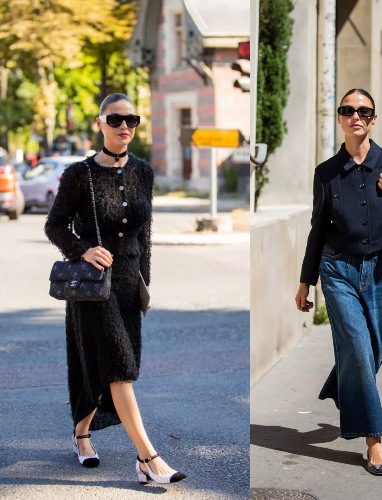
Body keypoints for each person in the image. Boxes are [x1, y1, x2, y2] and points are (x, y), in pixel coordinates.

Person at [45, 93, 186, 485]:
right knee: (120, 367)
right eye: (116, 119)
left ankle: (81, 432)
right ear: (100, 123)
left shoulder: (143, 171)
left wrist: (145, 284)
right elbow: (54, 226)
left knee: (106, 366)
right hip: (94, 289)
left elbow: (147, 234)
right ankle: (148, 458)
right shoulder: (79, 174)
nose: (125, 126)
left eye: (132, 119)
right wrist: (82, 249)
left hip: (127, 286)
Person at [295, 88, 382, 476]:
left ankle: (343, 384)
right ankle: (374, 442)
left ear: (373, 118)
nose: (356, 117)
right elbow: (317, 230)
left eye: (364, 111)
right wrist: (306, 282)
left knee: (375, 348)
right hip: (337, 272)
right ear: (339, 118)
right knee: (356, 345)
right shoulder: (326, 172)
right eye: (348, 110)